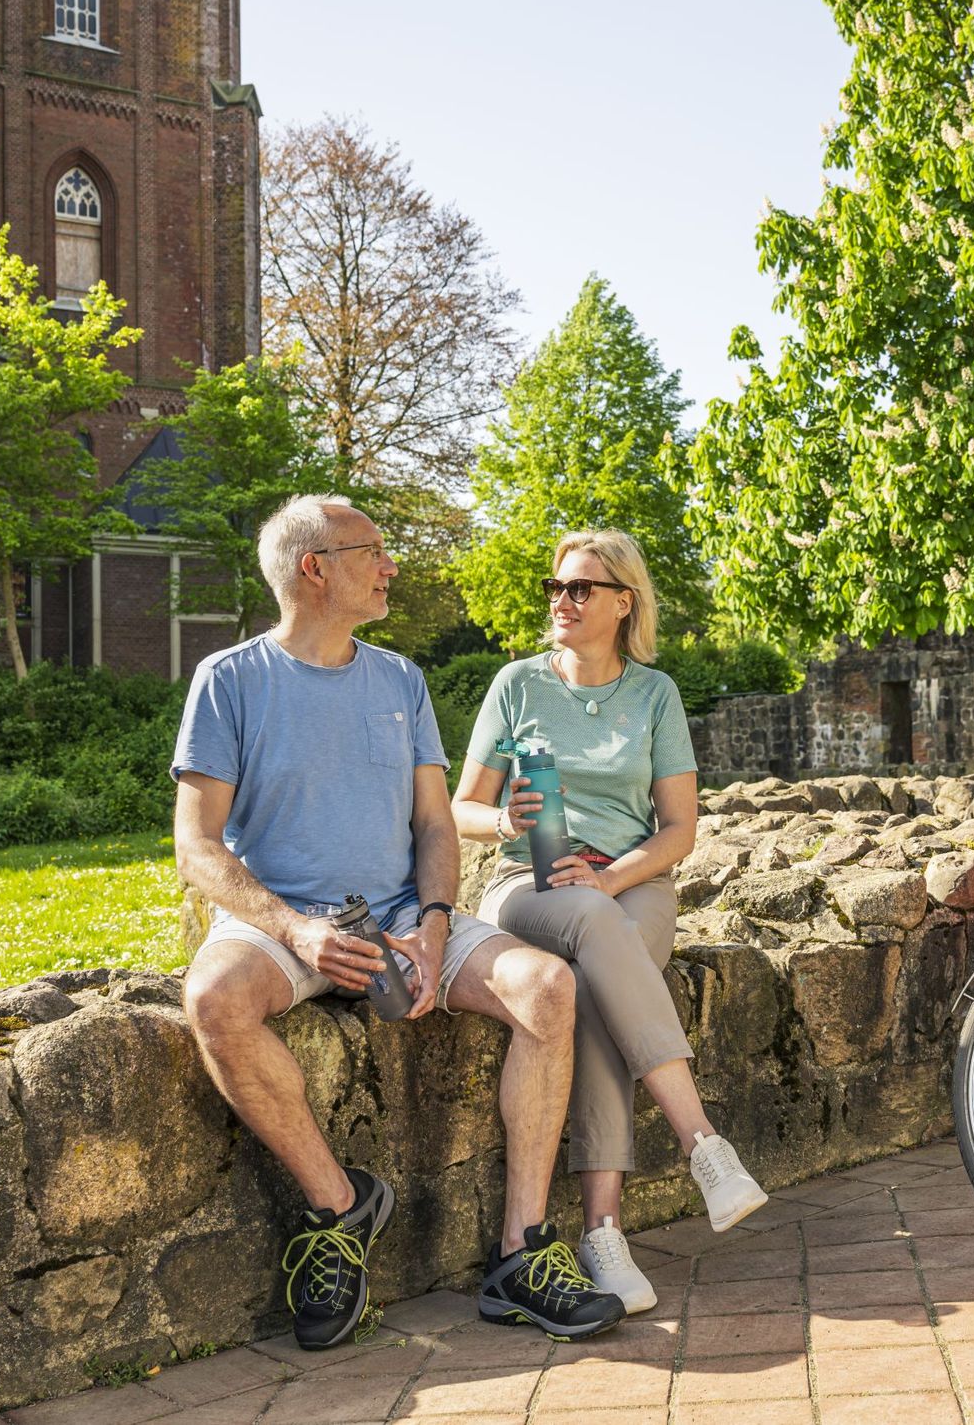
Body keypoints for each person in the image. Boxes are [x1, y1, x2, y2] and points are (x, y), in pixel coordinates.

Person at [174, 495, 623, 1349]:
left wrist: (432, 922)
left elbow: (433, 825)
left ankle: (521, 1256)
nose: (390, 566)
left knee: (549, 987)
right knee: (213, 1000)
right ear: (315, 568)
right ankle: (339, 1206)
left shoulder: (400, 679)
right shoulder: (228, 680)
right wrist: (296, 929)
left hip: (402, 916)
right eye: (373, 551)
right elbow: (195, 846)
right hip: (284, 923)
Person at [451, 529, 767, 1313]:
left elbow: (679, 830)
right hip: (526, 881)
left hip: (632, 883)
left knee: (596, 989)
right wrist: (502, 821)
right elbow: (458, 808)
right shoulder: (516, 684)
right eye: (555, 587)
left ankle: (602, 1234)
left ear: (624, 602)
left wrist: (608, 873)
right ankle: (703, 1144)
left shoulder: (655, 693)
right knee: (593, 928)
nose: (562, 600)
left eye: (581, 588)